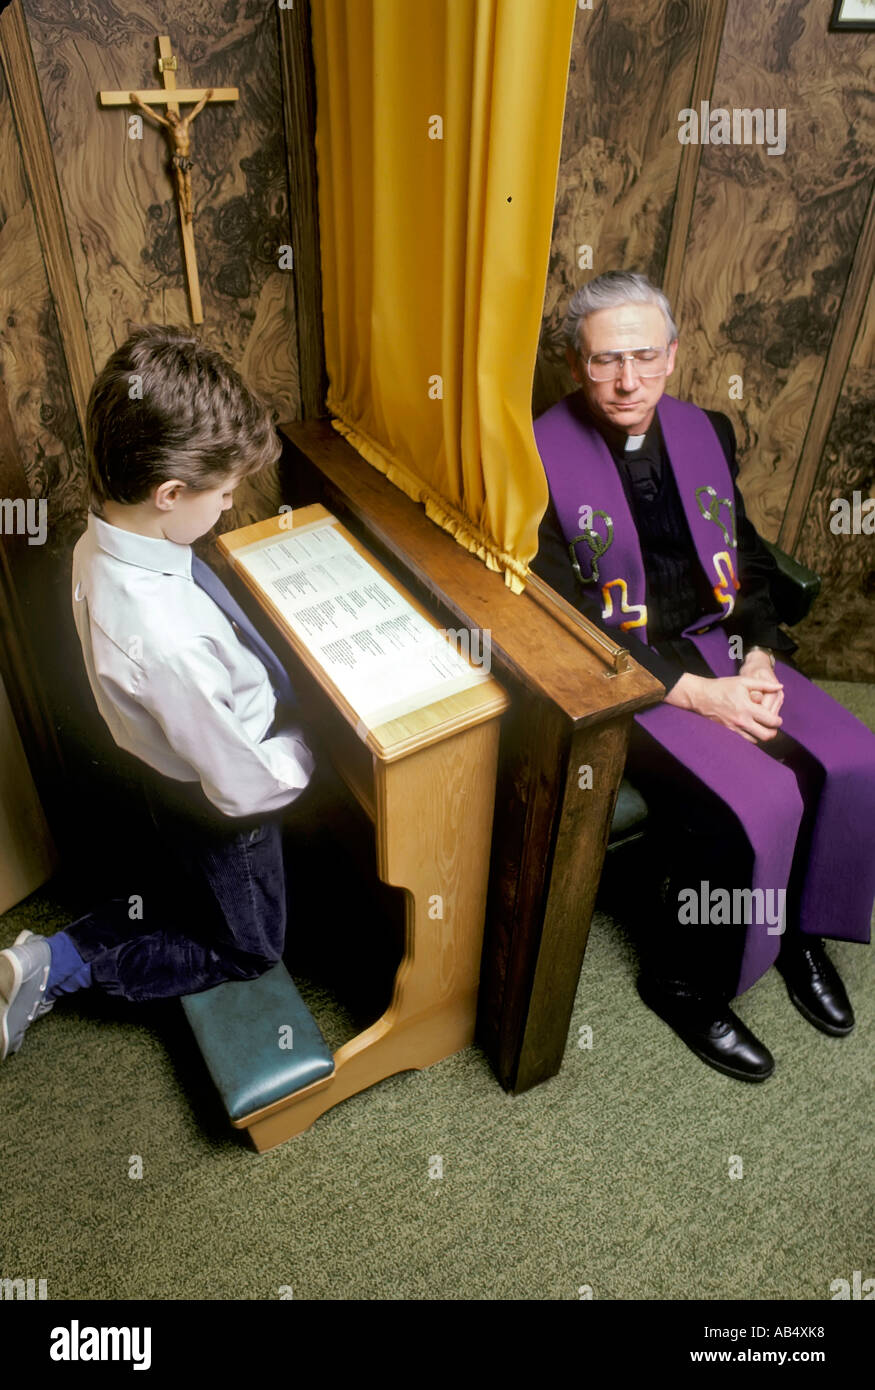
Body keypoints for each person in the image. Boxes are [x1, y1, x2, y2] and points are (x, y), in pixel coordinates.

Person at [532, 271, 875, 1082]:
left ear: (673, 355)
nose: (627, 380)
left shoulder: (703, 432)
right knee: (753, 798)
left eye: (645, 357)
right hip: (624, 671)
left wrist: (756, 653)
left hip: (720, 644)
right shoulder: (536, 456)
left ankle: (795, 931)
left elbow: (745, 558)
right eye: (606, 360)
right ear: (577, 363)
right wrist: (696, 695)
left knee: (853, 759)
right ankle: (681, 981)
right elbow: (556, 613)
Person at [0, 325, 317, 1061]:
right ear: (170, 493)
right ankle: (66, 969)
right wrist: (310, 752)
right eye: (226, 492)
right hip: (221, 804)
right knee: (246, 945)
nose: (232, 507)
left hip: (168, 773)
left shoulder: (102, 536)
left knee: (180, 893)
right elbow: (241, 791)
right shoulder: (167, 639)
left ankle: (37, 957)